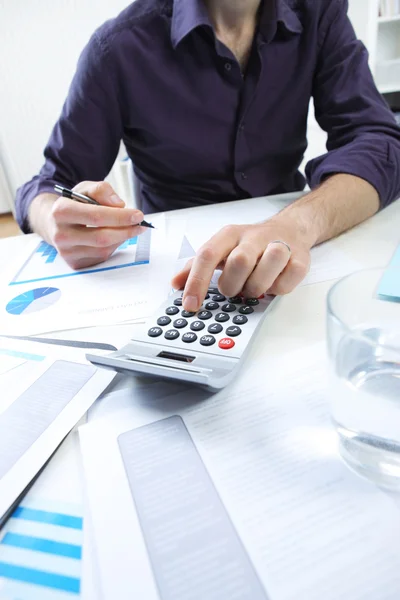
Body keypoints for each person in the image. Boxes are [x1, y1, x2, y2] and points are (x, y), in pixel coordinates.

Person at [16, 0, 400, 312]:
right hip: (174, 268)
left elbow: (380, 143)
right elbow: (49, 184)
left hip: (294, 249)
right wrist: (53, 218)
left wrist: (297, 226)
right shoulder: (118, 47)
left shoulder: (321, 12)